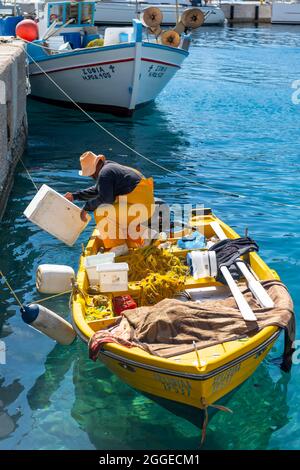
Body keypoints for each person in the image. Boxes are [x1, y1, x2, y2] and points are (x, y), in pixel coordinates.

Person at [64, 151, 155, 249]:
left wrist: (87, 207)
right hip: (146, 206)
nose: (91, 177)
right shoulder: (109, 167)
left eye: (90, 174)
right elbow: (97, 190)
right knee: (114, 215)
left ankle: (118, 247)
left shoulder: (105, 173)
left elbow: (106, 199)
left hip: (140, 208)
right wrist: (74, 196)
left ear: (94, 169)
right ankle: (146, 234)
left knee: (100, 211)